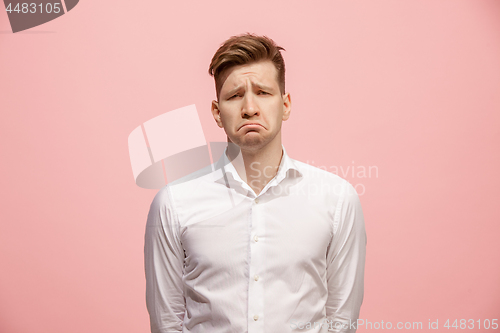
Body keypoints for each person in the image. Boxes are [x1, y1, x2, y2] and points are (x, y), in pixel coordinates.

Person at [144, 33, 367, 333]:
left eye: (263, 92)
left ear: (285, 104)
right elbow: (167, 323)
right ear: (216, 112)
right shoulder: (173, 204)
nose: (249, 107)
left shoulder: (337, 200)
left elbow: (342, 322)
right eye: (235, 95)